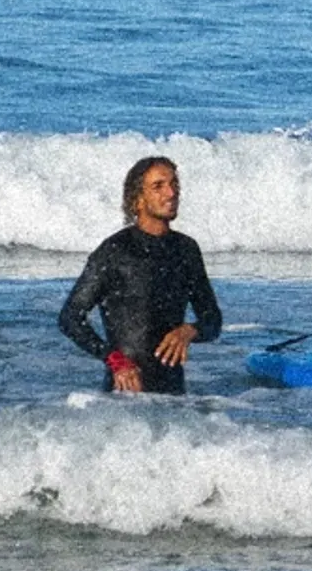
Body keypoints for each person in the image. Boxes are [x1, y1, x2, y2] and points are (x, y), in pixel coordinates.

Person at [59, 155, 224, 394]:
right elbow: (70, 318)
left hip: (175, 398)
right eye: (158, 186)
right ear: (137, 199)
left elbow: (212, 320)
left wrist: (190, 330)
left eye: (174, 184)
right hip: (125, 400)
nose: (171, 193)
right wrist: (114, 360)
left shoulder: (186, 249)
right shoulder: (115, 251)